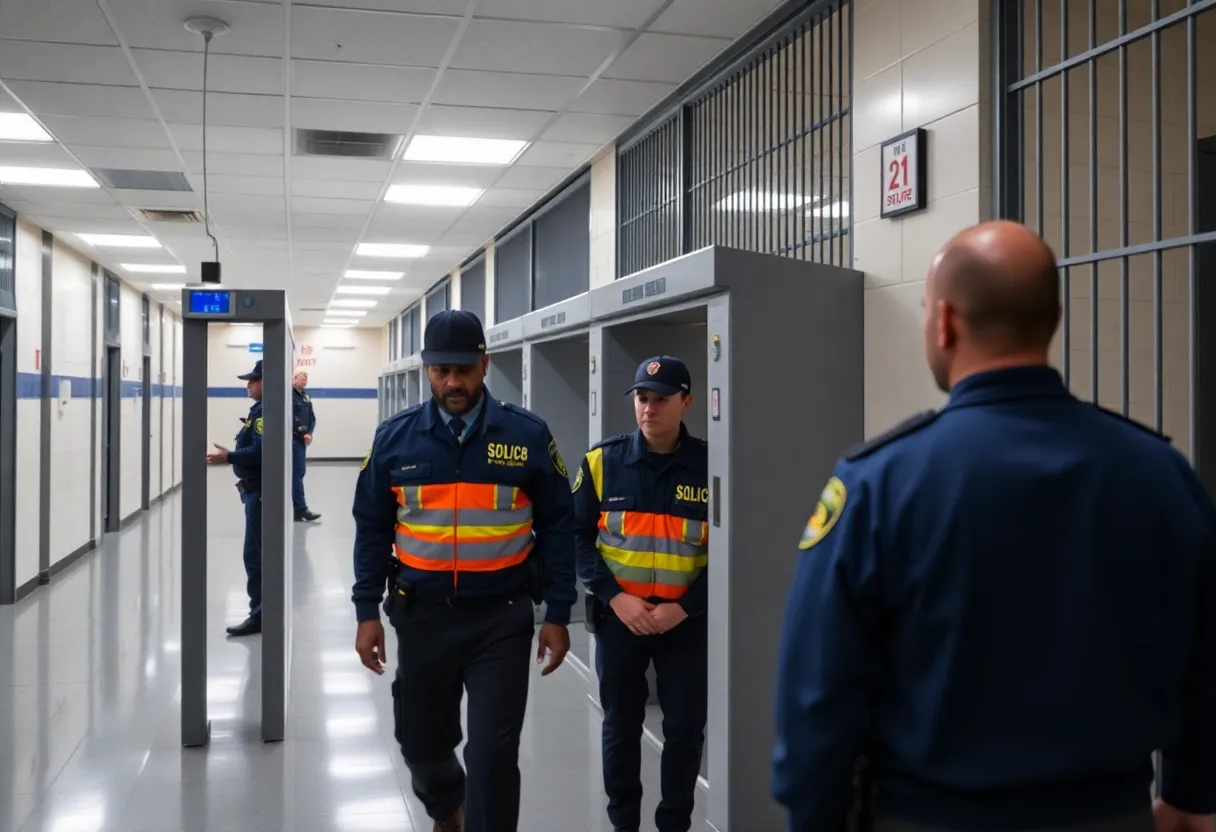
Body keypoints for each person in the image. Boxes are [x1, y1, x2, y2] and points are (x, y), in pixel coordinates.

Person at [770, 219, 1216, 832]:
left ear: (945, 321)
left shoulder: (880, 483)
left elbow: (818, 694)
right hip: (1111, 814)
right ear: (1054, 319)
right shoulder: (1161, 473)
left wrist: (813, 817)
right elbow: (1205, 653)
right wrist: (1193, 795)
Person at [351, 309, 577, 832]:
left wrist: (559, 613)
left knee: (495, 755)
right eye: (441, 370)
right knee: (421, 745)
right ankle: (447, 808)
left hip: (501, 618)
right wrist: (366, 612)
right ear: (428, 369)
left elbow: (559, 527)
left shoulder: (525, 436)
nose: (453, 382)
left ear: (485, 363)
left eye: (465, 369)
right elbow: (370, 530)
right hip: (422, 617)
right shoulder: (395, 439)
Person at [574, 355, 708, 832]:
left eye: (661, 400)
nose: (648, 409)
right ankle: (623, 823)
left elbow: (731, 553)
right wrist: (614, 596)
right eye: (642, 399)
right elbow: (576, 538)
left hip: (685, 627)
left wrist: (686, 608)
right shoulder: (601, 462)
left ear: (686, 402)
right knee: (621, 726)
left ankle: (675, 822)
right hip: (620, 622)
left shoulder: (712, 466)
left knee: (686, 731)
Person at [205, 359, 266, 637]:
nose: (248, 385)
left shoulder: (266, 412)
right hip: (253, 490)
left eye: (253, 380)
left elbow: (260, 452)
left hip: (260, 492)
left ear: (266, 382)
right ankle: (262, 610)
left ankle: (261, 615)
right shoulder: (259, 410)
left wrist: (229, 456)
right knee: (256, 554)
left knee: (255, 555)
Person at [292, 371, 321, 522]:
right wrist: (303, 432)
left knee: (299, 473)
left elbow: (312, 417)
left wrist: (309, 432)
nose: (304, 379)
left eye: (306, 377)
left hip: (302, 441)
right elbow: (292, 418)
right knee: (296, 475)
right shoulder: (290, 395)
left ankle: (298, 509)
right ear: (294, 379)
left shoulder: (305, 396)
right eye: (301, 377)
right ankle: (300, 509)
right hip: (294, 440)